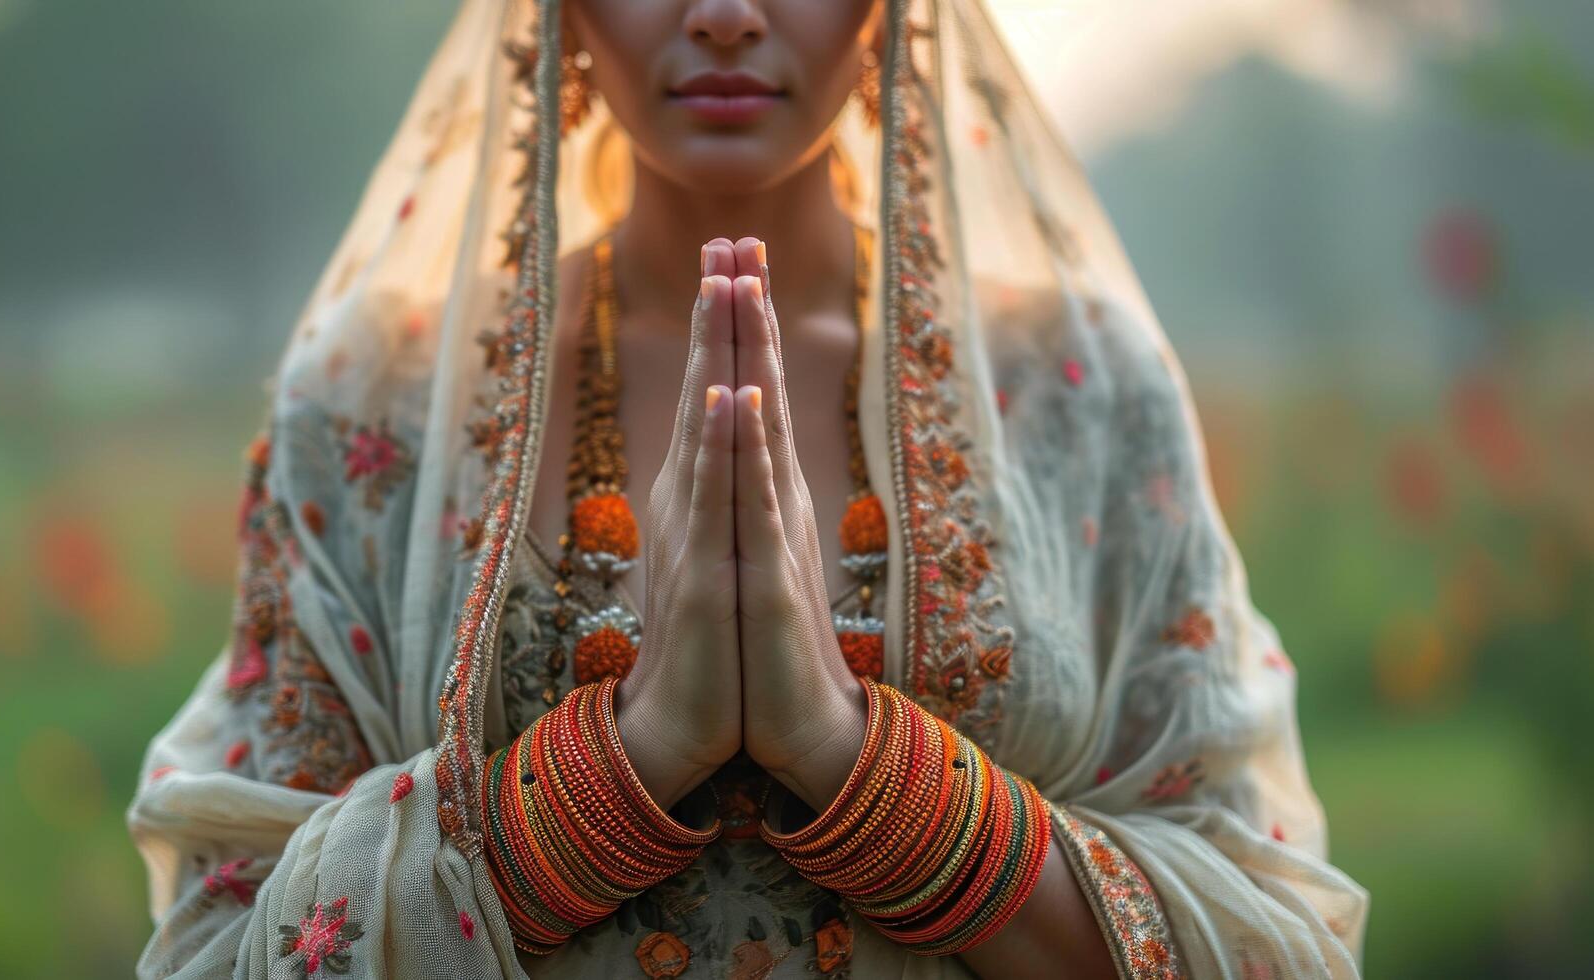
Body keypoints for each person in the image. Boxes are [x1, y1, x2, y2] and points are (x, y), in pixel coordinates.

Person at [127, 1, 1369, 977]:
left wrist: (843, 753)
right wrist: (635, 752)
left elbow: (1259, 920)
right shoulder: (376, 404)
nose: (723, 13)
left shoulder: (1075, 392)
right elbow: (231, 937)